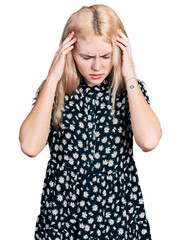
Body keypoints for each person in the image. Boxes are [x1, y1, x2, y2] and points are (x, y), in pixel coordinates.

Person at [19, 4, 162, 240]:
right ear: (70, 51)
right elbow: (30, 147)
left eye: (106, 56)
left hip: (118, 214)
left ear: (118, 52)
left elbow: (149, 141)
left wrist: (129, 75)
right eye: (86, 57)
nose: (97, 67)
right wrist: (53, 77)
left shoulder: (129, 91)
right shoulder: (55, 92)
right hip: (64, 216)